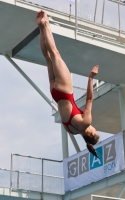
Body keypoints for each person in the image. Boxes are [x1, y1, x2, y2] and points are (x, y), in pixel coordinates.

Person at [36, 10, 100, 158]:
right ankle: (41, 26)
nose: (94, 127)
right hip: (55, 93)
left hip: (65, 91)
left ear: (90, 133)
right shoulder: (71, 130)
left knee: (55, 53)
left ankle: (45, 23)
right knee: (48, 57)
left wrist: (91, 77)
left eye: (95, 130)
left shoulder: (86, 122)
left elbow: (89, 99)